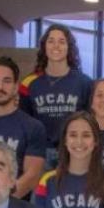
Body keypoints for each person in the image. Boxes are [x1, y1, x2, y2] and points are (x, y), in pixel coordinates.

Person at [20, 23, 94, 167]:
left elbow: (91, 122)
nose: (56, 46)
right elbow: (24, 122)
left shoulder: (85, 83)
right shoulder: (28, 84)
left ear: (69, 47)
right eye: (51, 41)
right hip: (40, 152)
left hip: (73, 151)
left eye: (61, 41)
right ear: (44, 46)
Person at [0, 56, 48, 198]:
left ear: (15, 87)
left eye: (7, 81)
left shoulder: (33, 127)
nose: (0, 87)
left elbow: (31, 177)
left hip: (15, 205)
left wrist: (0, 202)